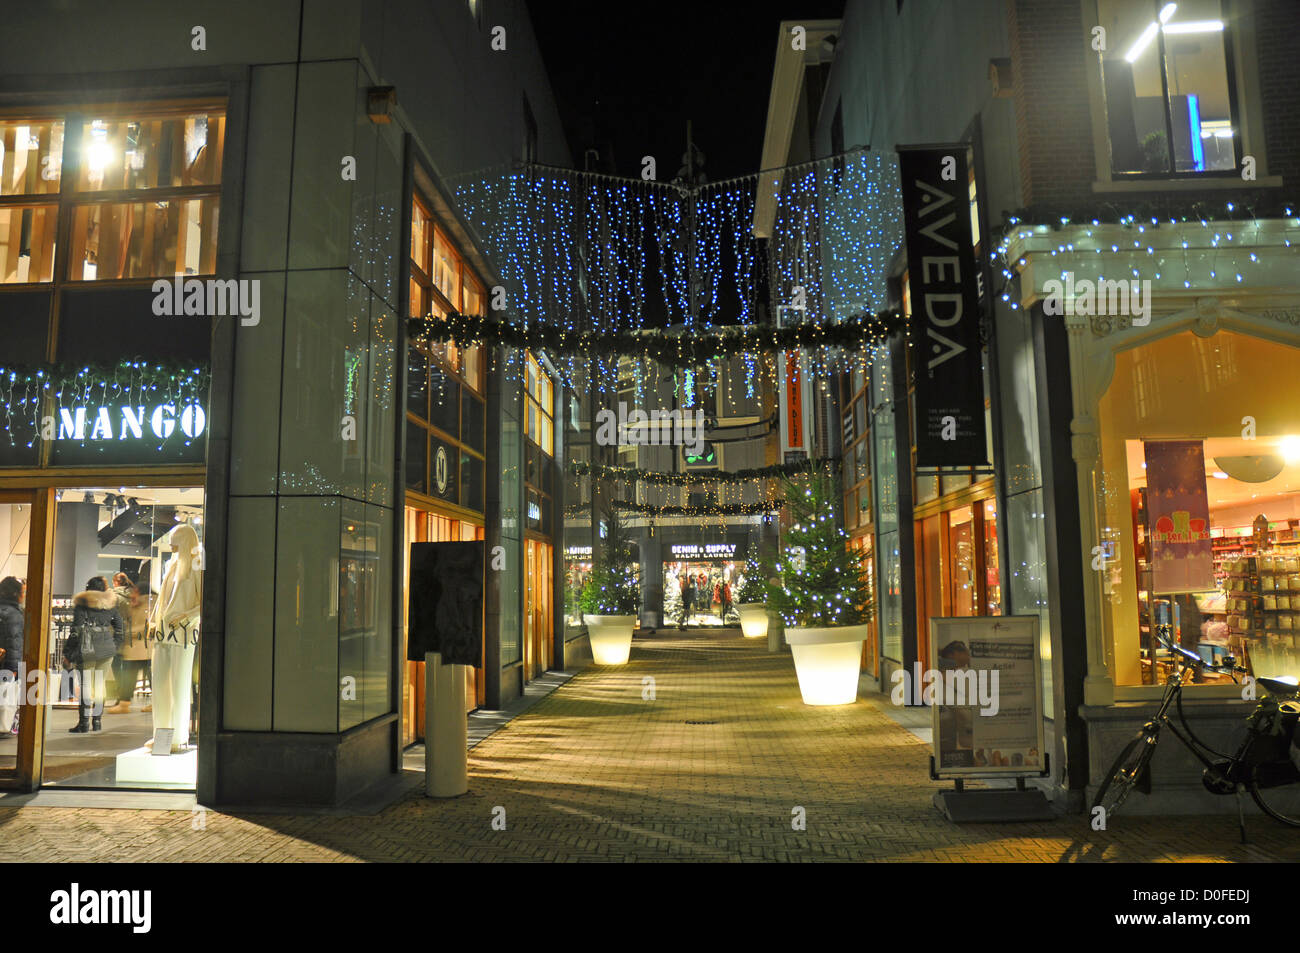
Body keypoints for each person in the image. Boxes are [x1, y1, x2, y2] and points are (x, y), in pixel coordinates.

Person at [64, 576, 125, 733]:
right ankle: (97, 722)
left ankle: (84, 724)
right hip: (106, 650)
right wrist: (115, 645)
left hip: (87, 649)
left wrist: (68, 652)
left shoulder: (82, 605)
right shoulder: (110, 605)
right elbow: (120, 628)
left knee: (85, 686)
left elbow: (76, 630)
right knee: (99, 685)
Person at [105, 573, 150, 714]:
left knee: (125, 672)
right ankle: (124, 702)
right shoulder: (136, 599)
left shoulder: (117, 597)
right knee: (133, 673)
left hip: (133, 642)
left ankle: (123, 701)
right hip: (137, 644)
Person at [0, 577, 24, 736]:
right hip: (7, 664)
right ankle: (3, 727)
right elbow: (14, 643)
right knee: (6, 697)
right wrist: (14, 668)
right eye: (23, 592)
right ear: (15, 593)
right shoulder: (14, 614)